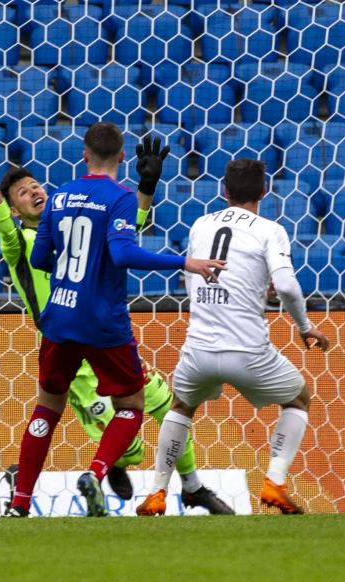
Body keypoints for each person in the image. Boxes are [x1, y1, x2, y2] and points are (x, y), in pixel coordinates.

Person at [0, 137, 232, 514]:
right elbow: (1, 220)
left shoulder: (68, 220)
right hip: (78, 357)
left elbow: (128, 227)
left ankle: (192, 486)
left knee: (167, 405)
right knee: (129, 439)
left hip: (90, 335)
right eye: (23, 193)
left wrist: (148, 187)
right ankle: (107, 467)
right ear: (14, 209)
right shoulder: (17, 240)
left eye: (35, 185)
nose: (34, 192)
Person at [136, 159, 330, 517]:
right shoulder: (269, 229)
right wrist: (305, 326)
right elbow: (286, 285)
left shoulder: (200, 224)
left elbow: (196, 276)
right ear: (265, 192)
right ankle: (274, 482)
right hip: (249, 351)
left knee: (180, 408)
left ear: (224, 191)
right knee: (299, 399)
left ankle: (157, 492)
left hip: (200, 349)